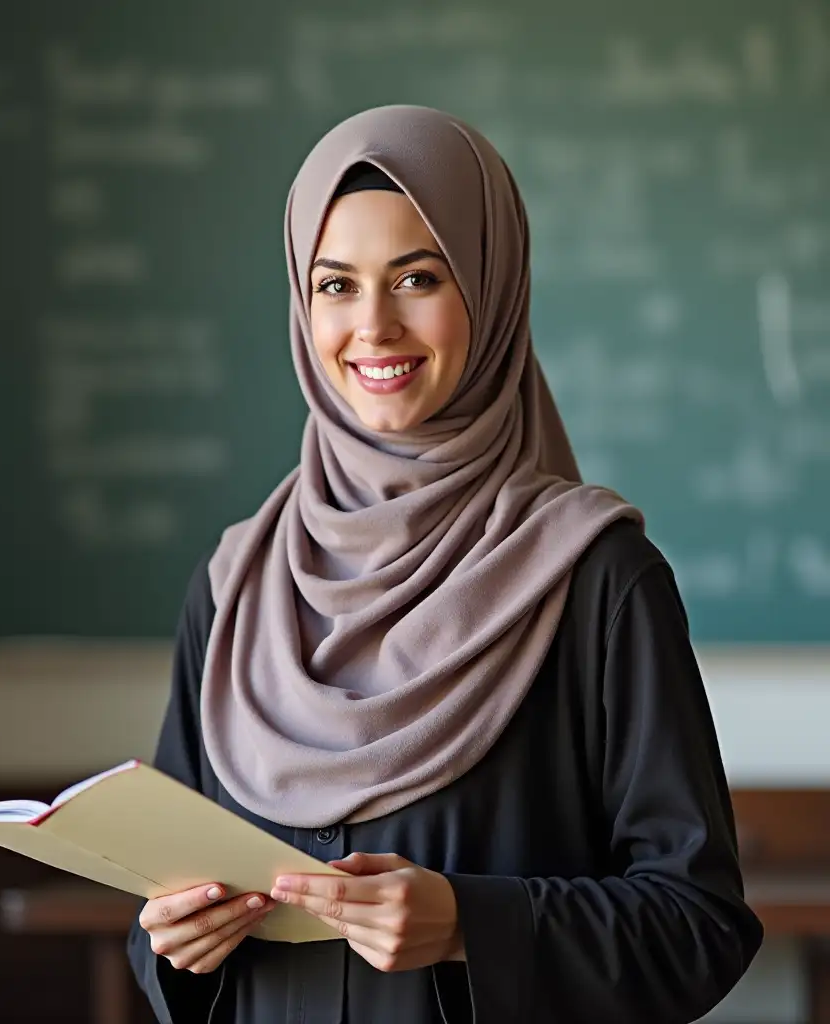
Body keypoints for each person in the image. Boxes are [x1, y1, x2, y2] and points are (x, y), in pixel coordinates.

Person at [126, 105, 762, 1024]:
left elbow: (698, 925)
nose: (373, 327)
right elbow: (157, 913)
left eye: (418, 277)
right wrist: (174, 947)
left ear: (492, 289)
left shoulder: (598, 582)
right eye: (336, 285)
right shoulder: (236, 583)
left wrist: (472, 923)